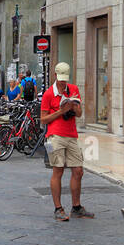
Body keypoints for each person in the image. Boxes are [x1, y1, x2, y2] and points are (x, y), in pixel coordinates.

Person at [40, 61, 92, 221]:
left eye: (65, 79)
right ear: (55, 75)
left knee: (78, 171)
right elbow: (43, 119)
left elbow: (80, 114)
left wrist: (74, 106)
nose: (63, 82)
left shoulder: (74, 90)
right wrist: (61, 112)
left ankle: (76, 207)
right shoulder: (49, 94)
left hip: (71, 135)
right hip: (55, 135)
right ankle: (58, 208)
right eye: (60, 78)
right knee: (58, 171)